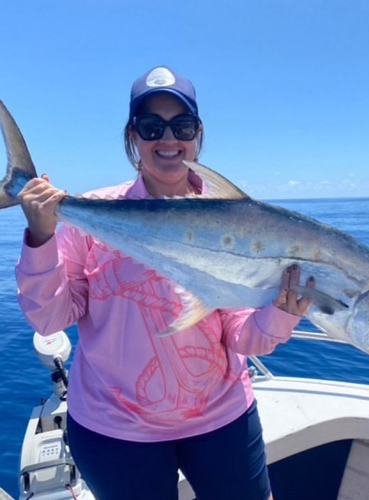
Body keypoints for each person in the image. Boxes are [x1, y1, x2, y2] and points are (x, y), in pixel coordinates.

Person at [15, 65, 314, 500]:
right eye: (152, 126)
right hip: (114, 428)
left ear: (198, 133)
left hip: (221, 418)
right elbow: (49, 318)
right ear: (133, 136)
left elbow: (242, 338)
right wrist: (40, 236)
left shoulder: (243, 225)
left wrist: (282, 314)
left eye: (182, 125)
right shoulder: (90, 215)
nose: (168, 139)